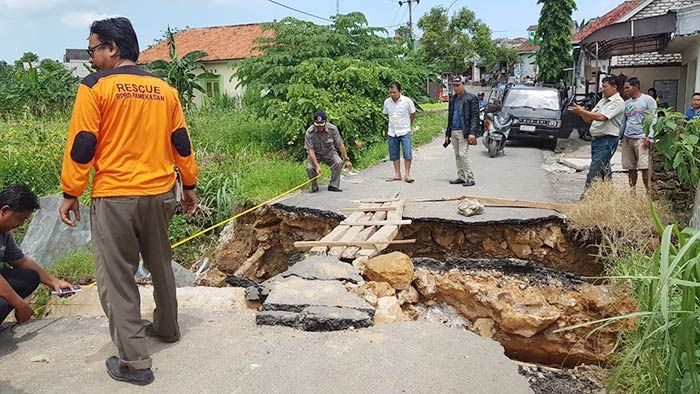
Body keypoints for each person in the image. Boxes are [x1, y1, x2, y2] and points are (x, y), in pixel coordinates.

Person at [59, 17, 199, 386]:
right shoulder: (164, 89)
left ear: (112, 48)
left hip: (116, 196)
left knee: (117, 277)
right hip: (160, 194)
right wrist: (189, 185)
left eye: (93, 49)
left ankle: (135, 363)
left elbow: (84, 144)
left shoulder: (94, 88)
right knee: (160, 263)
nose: (91, 58)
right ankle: (167, 329)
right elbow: (180, 141)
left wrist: (71, 192)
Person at [0, 185, 74, 327]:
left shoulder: (4, 234)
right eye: (20, 219)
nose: (21, 225)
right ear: (5, 210)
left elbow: (21, 261)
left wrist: (55, 282)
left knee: (29, 277)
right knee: (2, 304)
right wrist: (20, 305)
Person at [570, 75, 625, 195]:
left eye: (605, 87)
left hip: (608, 140)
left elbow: (601, 117)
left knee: (595, 170)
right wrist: (581, 112)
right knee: (604, 170)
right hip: (598, 140)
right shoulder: (603, 101)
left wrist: (582, 111)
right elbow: (589, 119)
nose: (602, 89)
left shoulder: (617, 102)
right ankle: (606, 196)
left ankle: (587, 197)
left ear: (614, 87)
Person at [620, 77, 657, 191]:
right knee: (630, 167)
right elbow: (623, 122)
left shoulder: (648, 100)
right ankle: (633, 191)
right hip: (628, 137)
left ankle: (648, 192)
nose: (625, 90)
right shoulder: (626, 103)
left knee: (644, 167)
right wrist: (620, 138)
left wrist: (650, 136)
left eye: (627, 88)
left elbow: (654, 118)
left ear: (635, 87)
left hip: (642, 138)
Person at [445, 76, 480, 187]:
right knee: (457, 155)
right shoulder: (452, 99)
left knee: (462, 154)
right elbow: (450, 117)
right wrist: (447, 134)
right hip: (454, 130)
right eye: (454, 85)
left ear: (463, 85)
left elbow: (475, 117)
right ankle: (461, 177)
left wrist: (472, 133)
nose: (456, 87)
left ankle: (470, 178)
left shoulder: (471, 98)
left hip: (464, 131)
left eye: (458, 85)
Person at [305, 111, 352, 192]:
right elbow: (310, 150)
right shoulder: (309, 132)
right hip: (315, 154)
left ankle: (333, 185)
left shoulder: (332, 129)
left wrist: (346, 160)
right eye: (317, 125)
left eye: (321, 125)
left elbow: (340, 144)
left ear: (325, 123)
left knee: (338, 162)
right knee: (310, 168)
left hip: (329, 151)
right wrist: (316, 166)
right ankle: (314, 184)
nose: (319, 128)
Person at [383, 81, 416, 183]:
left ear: (399, 91)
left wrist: (408, 124)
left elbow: (413, 114)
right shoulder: (387, 102)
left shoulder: (407, 101)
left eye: (394, 92)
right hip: (392, 131)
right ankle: (397, 174)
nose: (392, 94)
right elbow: (386, 114)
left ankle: (407, 174)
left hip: (405, 130)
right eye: (390, 92)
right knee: (394, 154)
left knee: (407, 153)